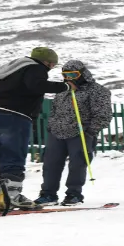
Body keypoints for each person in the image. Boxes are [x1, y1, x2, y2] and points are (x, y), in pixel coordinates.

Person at [0, 47, 69, 210]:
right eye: (52, 65)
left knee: (4, 155)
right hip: (15, 114)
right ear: (47, 62)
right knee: (15, 154)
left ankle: (1, 195)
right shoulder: (35, 68)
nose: (51, 68)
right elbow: (36, 85)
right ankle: (12, 195)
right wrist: (64, 87)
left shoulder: (11, 70)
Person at [36, 60, 112, 206]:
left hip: (81, 133)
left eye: (73, 75)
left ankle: (74, 194)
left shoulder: (97, 91)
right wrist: (51, 126)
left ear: (82, 74)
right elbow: (54, 111)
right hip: (57, 132)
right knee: (50, 164)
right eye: (65, 75)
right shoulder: (63, 91)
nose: (69, 78)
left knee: (78, 163)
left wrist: (90, 130)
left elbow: (103, 114)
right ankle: (48, 194)